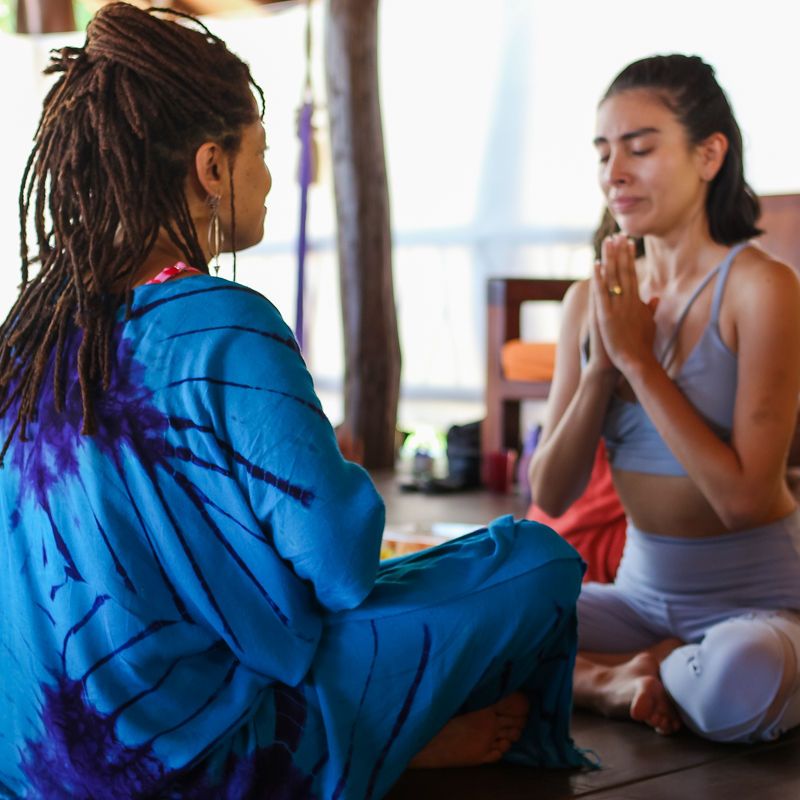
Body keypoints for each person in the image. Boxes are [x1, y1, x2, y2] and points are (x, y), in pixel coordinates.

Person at [0, 5, 588, 798]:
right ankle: (382, 739)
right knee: (534, 562)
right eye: (264, 153)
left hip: (34, 763)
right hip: (192, 763)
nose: (273, 181)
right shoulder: (223, 323)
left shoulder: (28, 336)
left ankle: (384, 735)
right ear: (212, 168)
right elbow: (341, 570)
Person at [529, 53, 800, 743]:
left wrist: (637, 361)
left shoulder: (761, 289)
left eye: (640, 149)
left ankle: (646, 667)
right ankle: (611, 683)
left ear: (709, 155)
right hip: (638, 598)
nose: (614, 173)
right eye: (603, 152)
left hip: (758, 606)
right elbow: (551, 494)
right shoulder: (589, 299)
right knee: (474, 607)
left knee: (744, 676)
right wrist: (600, 368)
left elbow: (745, 501)